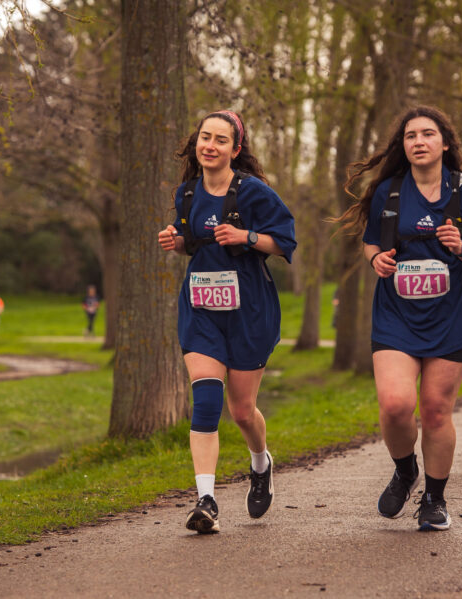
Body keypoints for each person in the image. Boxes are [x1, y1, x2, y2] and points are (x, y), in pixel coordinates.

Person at [334, 106, 462, 531]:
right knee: (395, 406)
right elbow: (371, 243)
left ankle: (434, 498)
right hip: (397, 314)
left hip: (453, 317)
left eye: (428, 134)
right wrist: (377, 261)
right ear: (404, 145)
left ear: (445, 143)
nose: (419, 142)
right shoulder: (388, 192)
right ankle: (405, 469)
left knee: (434, 410)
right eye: (411, 136)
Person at [157, 110, 296, 534]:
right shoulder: (187, 194)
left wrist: (247, 237)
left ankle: (260, 463)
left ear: (235, 149)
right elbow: (193, 245)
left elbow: (285, 240)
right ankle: (206, 499)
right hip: (201, 309)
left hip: (249, 311)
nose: (210, 145)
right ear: (196, 143)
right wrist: (176, 241)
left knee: (240, 411)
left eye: (220, 140)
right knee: (205, 403)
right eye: (204, 137)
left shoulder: (253, 193)